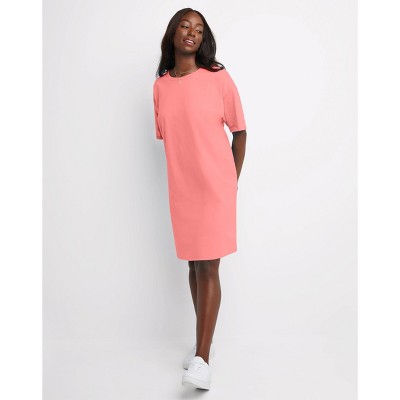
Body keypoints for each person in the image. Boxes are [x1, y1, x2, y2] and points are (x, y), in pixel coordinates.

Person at [152, 8, 247, 390]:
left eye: (199, 29)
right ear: (173, 33)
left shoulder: (218, 77)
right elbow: (173, 138)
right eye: (184, 25)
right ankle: (201, 344)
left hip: (215, 188)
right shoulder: (161, 86)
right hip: (182, 190)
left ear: (203, 39)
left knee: (208, 267)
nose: (191, 32)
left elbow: (240, 131)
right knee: (193, 266)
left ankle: (203, 360)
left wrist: (230, 181)